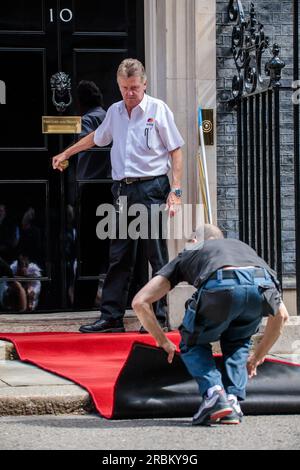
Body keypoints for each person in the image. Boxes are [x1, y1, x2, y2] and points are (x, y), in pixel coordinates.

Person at [53, 58, 184, 333]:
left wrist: (176, 190)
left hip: (151, 188)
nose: (129, 93)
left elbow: (176, 150)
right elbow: (97, 138)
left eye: (134, 87)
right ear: (118, 85)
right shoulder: (114, 112)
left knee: (154, 254)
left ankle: (158, 317)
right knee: (119, 255)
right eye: (124, 87)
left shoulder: (158, 110)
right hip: (122, 189)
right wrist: (67, 153)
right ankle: (111, 317)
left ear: (144, 84)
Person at [132, 224, 289, 426]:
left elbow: (140, 302)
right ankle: (233, 402)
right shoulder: (245, 249)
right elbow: (282, 316)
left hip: (221, 285)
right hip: (262, 286)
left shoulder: (191, 251)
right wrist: (258, 356)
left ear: (196, 241)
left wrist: (163, 341)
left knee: (192, 342)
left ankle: (214, 393)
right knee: (238, 341)